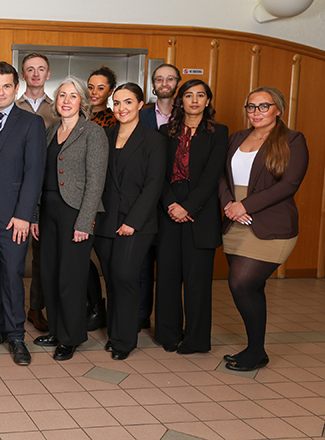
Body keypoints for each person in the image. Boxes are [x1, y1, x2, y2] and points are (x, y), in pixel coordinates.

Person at [219, 87, 308, 371]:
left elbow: (289, 185)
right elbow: (221, 175)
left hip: (272, 223)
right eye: (251, 107)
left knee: (241, 283)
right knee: (253, 288)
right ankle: (256, 350)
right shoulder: (236, 138)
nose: (255, 112)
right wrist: (229, 204)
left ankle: (256, 351)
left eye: (263, 106)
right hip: (234, 220)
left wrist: (246, 206)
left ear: (278, 109)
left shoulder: (293, 140)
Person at [0, 61, 46, 366]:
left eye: (6, 86)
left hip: (14, 216)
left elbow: (34, 173)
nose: (0, 92)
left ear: (16, 88)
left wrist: (25, 215)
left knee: (13, 275)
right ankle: (0, 327)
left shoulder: (31, 124)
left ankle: (16, 336)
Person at [32, 76, 108, 361]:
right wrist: (36, 215)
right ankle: (56, 328)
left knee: (70, 279)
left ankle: (71, 336)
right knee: (49, 274)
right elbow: (42, 178)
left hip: (76, 213)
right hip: (49, 211)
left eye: (72, 96)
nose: (66, 100)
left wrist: (84, 222)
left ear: (82, 102)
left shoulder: (92, 133)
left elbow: (95, 182)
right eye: (62, 95)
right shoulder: (51, 132)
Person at [155, 79, 228, 354]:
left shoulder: (218, 133)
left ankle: (196, 340)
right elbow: (158, 174)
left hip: (200, 214)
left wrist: (187, 206)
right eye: (188, 95)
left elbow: (212, 176)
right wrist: (171, 203)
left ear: (208, 101)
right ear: (180, 101)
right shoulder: (165, 132)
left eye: (200, 95)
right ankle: (168, 334)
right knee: (167, 278)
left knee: (197, 282)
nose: (194, 100)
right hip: (168, 212)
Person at [94, 83, 166, 361]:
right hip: (105, 220)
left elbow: (153, 185)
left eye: (128, 102)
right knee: (111, 279)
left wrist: (133, 222)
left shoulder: (154, 140)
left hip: (136, 222)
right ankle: (115, 333)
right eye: (117, 103)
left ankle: (126, 339)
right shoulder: (104, 135)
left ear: (140, 105)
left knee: (125, 277)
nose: (121, 108)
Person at [137, 63, 181, 330]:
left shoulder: (188, 112)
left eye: (170, 78)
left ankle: (167, 321)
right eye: (159, 79)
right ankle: (141, 315)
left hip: (174, 201)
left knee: (168, 267)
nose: (164, 83)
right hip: (144, 199)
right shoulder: (141, 116)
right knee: (141, 265)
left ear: (177, 82)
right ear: (152, 84)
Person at [16, 52, 56, 333]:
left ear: (48, 74)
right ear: (22, 74)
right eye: (30, 69)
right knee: (16, 252)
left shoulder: (58, 108)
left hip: (47, 187)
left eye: (41, 69)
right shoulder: (11, 105)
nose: (35, 74)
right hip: (15, 188)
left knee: (41, 254)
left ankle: (35, 307)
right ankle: (12, 309)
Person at [84, 66, 119, 332]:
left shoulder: (113, 121)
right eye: (91, 86)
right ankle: (94, 307)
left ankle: (115, 315)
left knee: (108, 261)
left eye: (101, 87)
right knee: (83, 260)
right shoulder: (77, 114)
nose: (95, 92)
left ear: (110, 91)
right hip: (77, 198)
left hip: (103, 200)